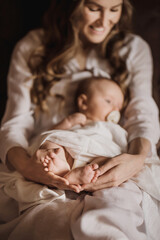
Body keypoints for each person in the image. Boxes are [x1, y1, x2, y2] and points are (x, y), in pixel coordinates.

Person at [0, 0, 159, 239]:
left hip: (114, 156)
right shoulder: (33, 47)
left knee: (118, 209)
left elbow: (142, 114)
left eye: (114, 10)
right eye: (94, 8)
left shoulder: (133, 49)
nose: (104, 21)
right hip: (46, 158)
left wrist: (137, 159)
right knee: (53, 220)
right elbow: (15, 121)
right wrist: (28, 167)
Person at [36, 76, 124, 191]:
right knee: (50, 143)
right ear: (84, 102)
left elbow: (122, 146)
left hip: (95, 155)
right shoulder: (76, 120)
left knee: (108, 162)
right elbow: (53, 133)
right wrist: (68, 122)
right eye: (109, 101)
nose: (115, 110)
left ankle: (77, 175)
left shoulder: (114, 128)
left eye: (119, 107)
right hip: (70, 150)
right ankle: (61, 167)